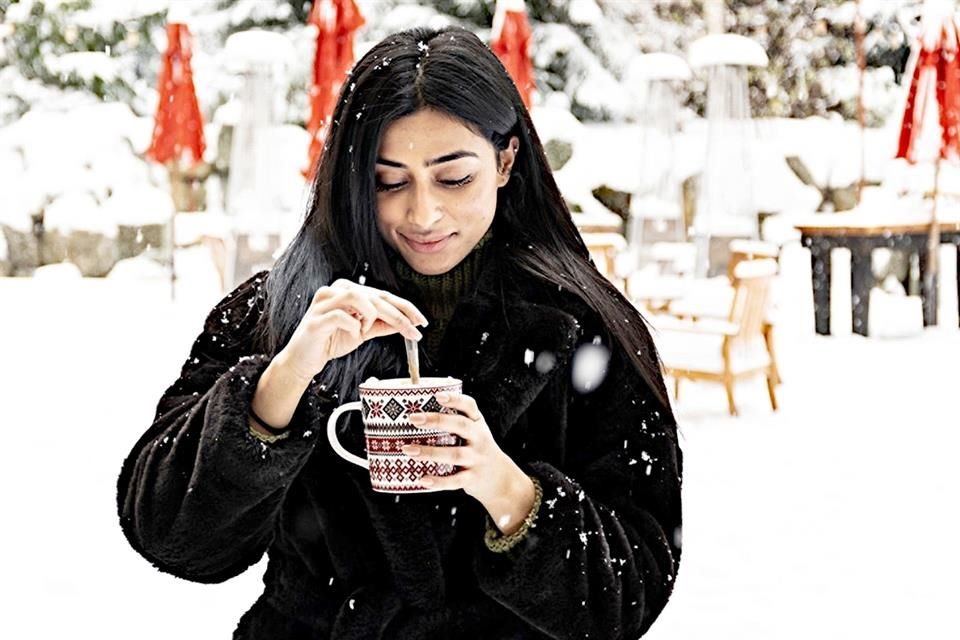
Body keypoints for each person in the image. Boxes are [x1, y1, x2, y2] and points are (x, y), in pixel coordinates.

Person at [117, 25, 682, 640]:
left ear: (505, 161)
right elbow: (169, 535)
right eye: (390, 181)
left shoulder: (586, 327)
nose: (422, 214)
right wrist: (280, 383)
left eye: (453, 178)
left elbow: (632, 591)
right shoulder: (275, 311)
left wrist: (506, 488)